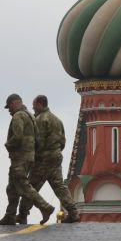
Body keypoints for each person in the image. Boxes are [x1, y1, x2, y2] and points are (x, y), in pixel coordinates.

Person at [19, 95, 79, 224]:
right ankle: (73, 212)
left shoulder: (40, 119)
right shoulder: (57, 120)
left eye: (34, 105)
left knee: (31, 186)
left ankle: (23, 214)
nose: (33, 107)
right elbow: (63, 141)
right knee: (59, 186)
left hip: (43, 160)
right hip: (55, 157)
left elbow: (37, 142)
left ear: (40, 103)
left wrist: (31, 157)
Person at [0, 94, 47, 226]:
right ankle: (10, 215)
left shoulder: (18, 116)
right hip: (29, 156)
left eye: (9, 107)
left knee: (23, 186)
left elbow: (17, 136)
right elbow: (38, 139)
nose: (9, 111)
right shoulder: (30, 115)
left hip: (20, 157)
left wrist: (8, 144)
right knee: (12, 188)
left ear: (15, 103)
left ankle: (45, 207)